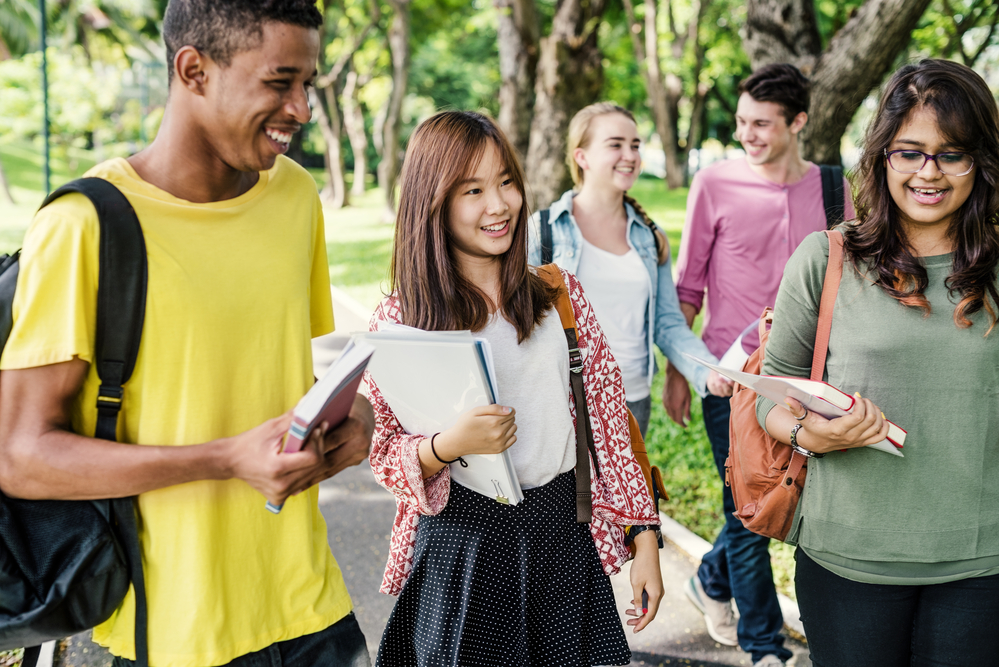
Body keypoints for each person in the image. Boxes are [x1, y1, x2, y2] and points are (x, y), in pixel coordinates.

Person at [0, 2, 375, 665]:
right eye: (279, 81)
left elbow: (276, 373)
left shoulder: (293, 198)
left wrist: (353, 422)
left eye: (308, 84)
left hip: (311, 606)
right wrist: (226, 458)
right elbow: (23, 455)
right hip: (177, 631)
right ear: (194, 69)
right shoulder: (83, 226)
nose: (302, 108)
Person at [365, 110, 664, 667]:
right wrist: (445, 445)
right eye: (472, 190)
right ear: (433, 203)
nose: (499, 205)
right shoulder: (402, 319)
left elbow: (607, 419)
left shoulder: (559, 294)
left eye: (506, 181)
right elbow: (383, 454)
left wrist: (642, 533)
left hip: (560, 534)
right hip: (463, 546)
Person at [758, 59, 999, 666]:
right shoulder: (826, 258)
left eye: (951, 154)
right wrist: (811, 433)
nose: (928, 173)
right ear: (883, 154)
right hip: (848, 561)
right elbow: (767, 395)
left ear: (982, 162)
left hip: (983, 564)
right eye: (909, 152)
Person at [671, 64, 854, 666]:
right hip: (732, 375)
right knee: (746, 507)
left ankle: (712, 581)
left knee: (786, 498)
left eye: (761, 124)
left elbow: (853, 279)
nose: (747, 134)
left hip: (811, 379)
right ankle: (763, 647)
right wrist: (683, 371)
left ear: (798, 122)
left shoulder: (834, 189)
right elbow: (689, 286)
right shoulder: (715, 185)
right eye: (742, 122)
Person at [527, 102, 730, 438]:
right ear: (582, 157)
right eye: (615, 144)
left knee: (631, 493)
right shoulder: (544, 230)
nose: (631, 155)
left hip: (631, 401)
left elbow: (667, 323)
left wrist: (708, 373)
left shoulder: (650, 237)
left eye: (635, 145)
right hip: (565, 402)